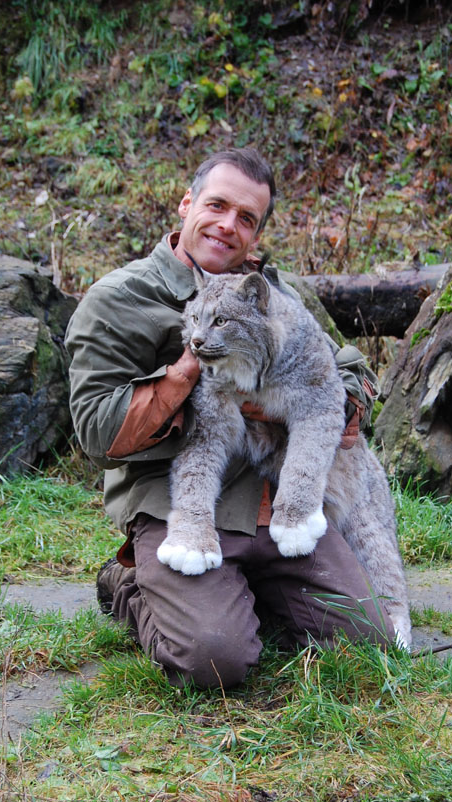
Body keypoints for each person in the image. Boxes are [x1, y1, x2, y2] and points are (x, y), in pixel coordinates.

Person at [65, 147, 396, 689]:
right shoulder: (119, 299)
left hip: (272, 498)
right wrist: (190, 372)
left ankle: (242, 591)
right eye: (217, 205)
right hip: (180, 503)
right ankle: (127, 585)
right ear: (187, 202)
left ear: (257, 232)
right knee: (214, 660)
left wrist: (348, 397)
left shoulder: (268, 288)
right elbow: (97, 433)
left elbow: (340, 360)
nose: (227, 226)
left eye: (246, 218)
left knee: (370, 642)